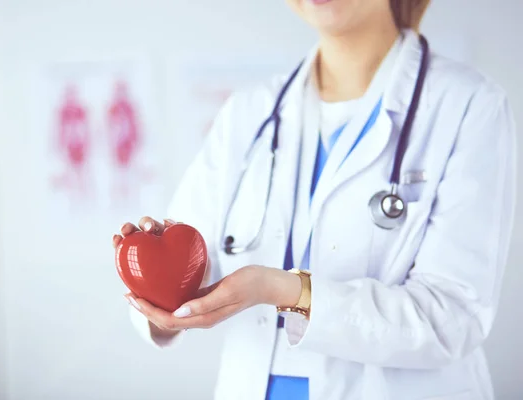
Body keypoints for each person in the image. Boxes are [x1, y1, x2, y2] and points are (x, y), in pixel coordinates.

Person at [112, 0, 517, 398]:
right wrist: (168, 301)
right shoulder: (249, 112)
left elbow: (451, 320)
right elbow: (186, 271)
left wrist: (285, 291)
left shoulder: (468, 107)